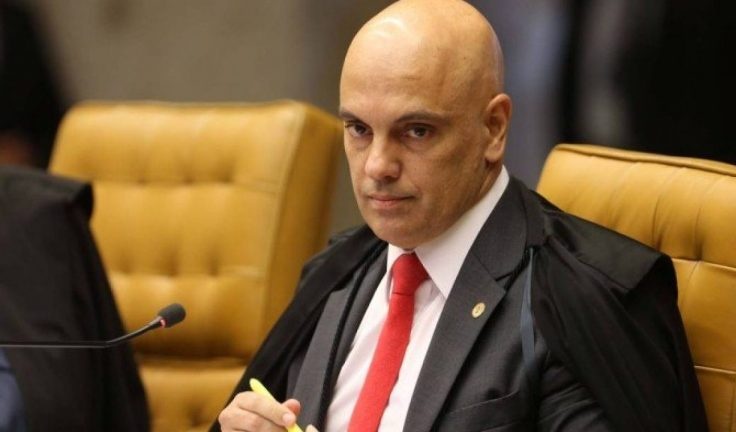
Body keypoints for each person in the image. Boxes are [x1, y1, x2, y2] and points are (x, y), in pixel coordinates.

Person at [215, 1, 707, 431]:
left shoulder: (581, 303)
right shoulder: (334, 275)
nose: (377, 166)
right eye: (359, 129)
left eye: (417, 131)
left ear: (493, 129)